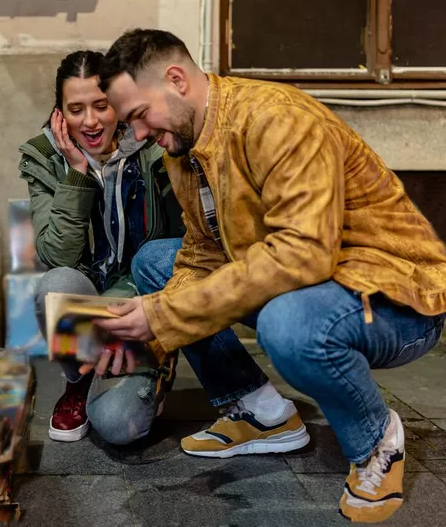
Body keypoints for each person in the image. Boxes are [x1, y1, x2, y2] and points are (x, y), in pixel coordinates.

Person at [95, 29, 446, 522]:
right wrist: (144, 338)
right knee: (157, 260)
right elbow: (201, 256)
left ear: (175, 79)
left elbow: (304, 254)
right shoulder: (185, 146)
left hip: (396, 298)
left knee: (289, 324)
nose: (138, 135)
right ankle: (260, 414)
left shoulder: (277, 119)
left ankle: (376, 442)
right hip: (316, 285)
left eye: (137, 115)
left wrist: (163, 314)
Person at [19, 50, 306, 449]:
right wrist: (75, 175)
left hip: (142, 300)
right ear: (60, 114)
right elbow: (59, 255)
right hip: (85, 302)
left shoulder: (156, 147)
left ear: (118, 104)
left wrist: (160, 324)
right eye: (76, 109)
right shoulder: (46, 157)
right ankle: (79, 382)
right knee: (55, 282)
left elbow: (184, 249)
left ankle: (156, 367)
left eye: (101, 106)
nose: (90, 121)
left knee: (119, 427)